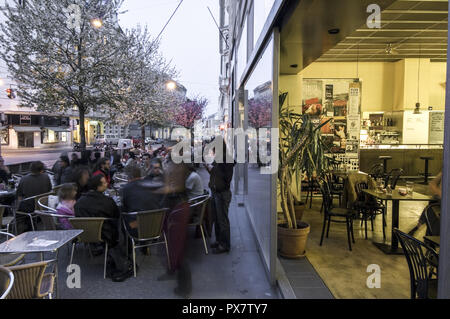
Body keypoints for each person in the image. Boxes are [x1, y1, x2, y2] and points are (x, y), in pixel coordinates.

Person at [75, 175, 133, 282]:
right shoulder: (107, 201)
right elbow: (115, 216)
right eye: (105, 182)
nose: (107, 184)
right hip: (105, 235)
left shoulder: (79, 202)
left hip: (83, 234)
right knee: (120, 223)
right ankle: (124, 251)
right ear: (98, 187)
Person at [206, 140, 235, 254]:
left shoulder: (226, 159)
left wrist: (214, 170)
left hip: (222, 193)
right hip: (215, 192)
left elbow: (226, 178)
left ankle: (225, 245)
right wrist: (210, 169)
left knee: (222, 220)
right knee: (217, 219)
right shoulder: (218, 159)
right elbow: (214, 174)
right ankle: (219, 241)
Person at [121, 163, 165, 237]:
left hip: (138, 227)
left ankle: (128, 247)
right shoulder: (150, 184)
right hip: (156, 225)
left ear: (129, 176)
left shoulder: (126, 188)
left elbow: (125, 207)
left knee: (122, 218)